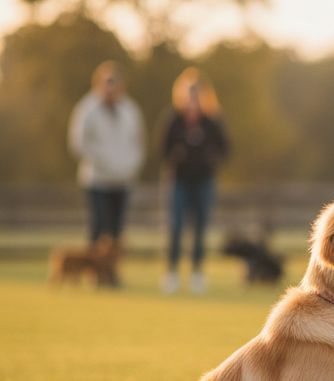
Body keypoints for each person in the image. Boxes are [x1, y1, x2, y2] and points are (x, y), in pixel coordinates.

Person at [68, 61, 144, 284]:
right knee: (99, 227)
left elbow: (138, 143)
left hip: (123, 179)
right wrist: (102, 161)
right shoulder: (87, 110)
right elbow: (78, 143)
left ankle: (111, 273)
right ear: (99, 85)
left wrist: (130, 165)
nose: (111, 90)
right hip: (97, 179)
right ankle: (94, 274)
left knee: (117, 230)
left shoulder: (130, 110)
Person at [160, 68, 229, 295]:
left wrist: (211, 158)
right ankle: (171, 272)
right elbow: (162, 149)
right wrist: (174, 156)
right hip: (180, 181)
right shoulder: (173, 121)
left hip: (204, 181)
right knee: (177, 225)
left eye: (196, 95)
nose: (192, 100)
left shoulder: (212, 122)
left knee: (200, 227)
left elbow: (225, 150)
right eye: (188, 95)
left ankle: (197, 272)